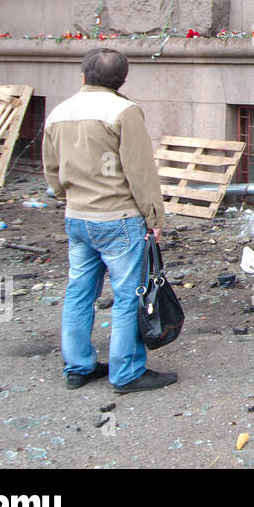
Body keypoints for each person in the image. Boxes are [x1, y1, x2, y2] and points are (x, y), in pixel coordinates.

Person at [42, 48, 175, 394]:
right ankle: (127, 372)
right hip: (118, 219)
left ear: (83, 75)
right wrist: (154, 215)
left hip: (76, 217)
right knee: (129, 295)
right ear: (122, 81)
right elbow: (139, 171)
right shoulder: (124, 111)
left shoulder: (58, 112)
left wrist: (68, 197)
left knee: (78, 293)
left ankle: (78, 367)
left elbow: (52, 171)